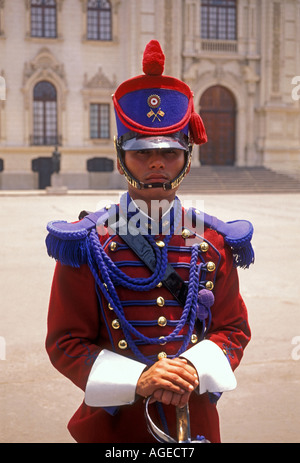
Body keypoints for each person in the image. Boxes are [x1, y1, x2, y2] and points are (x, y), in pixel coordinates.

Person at [45, 40, 254, 443]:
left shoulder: (212, 242)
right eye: (142, 152)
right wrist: (138, 378)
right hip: (118, 425)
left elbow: (233, 329)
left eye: (168, 151)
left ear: (186, 158)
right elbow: (65, 342)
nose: (156, 162)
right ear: (121, 155)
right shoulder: (87, 243)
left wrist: (193, 369)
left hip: (193, 419)